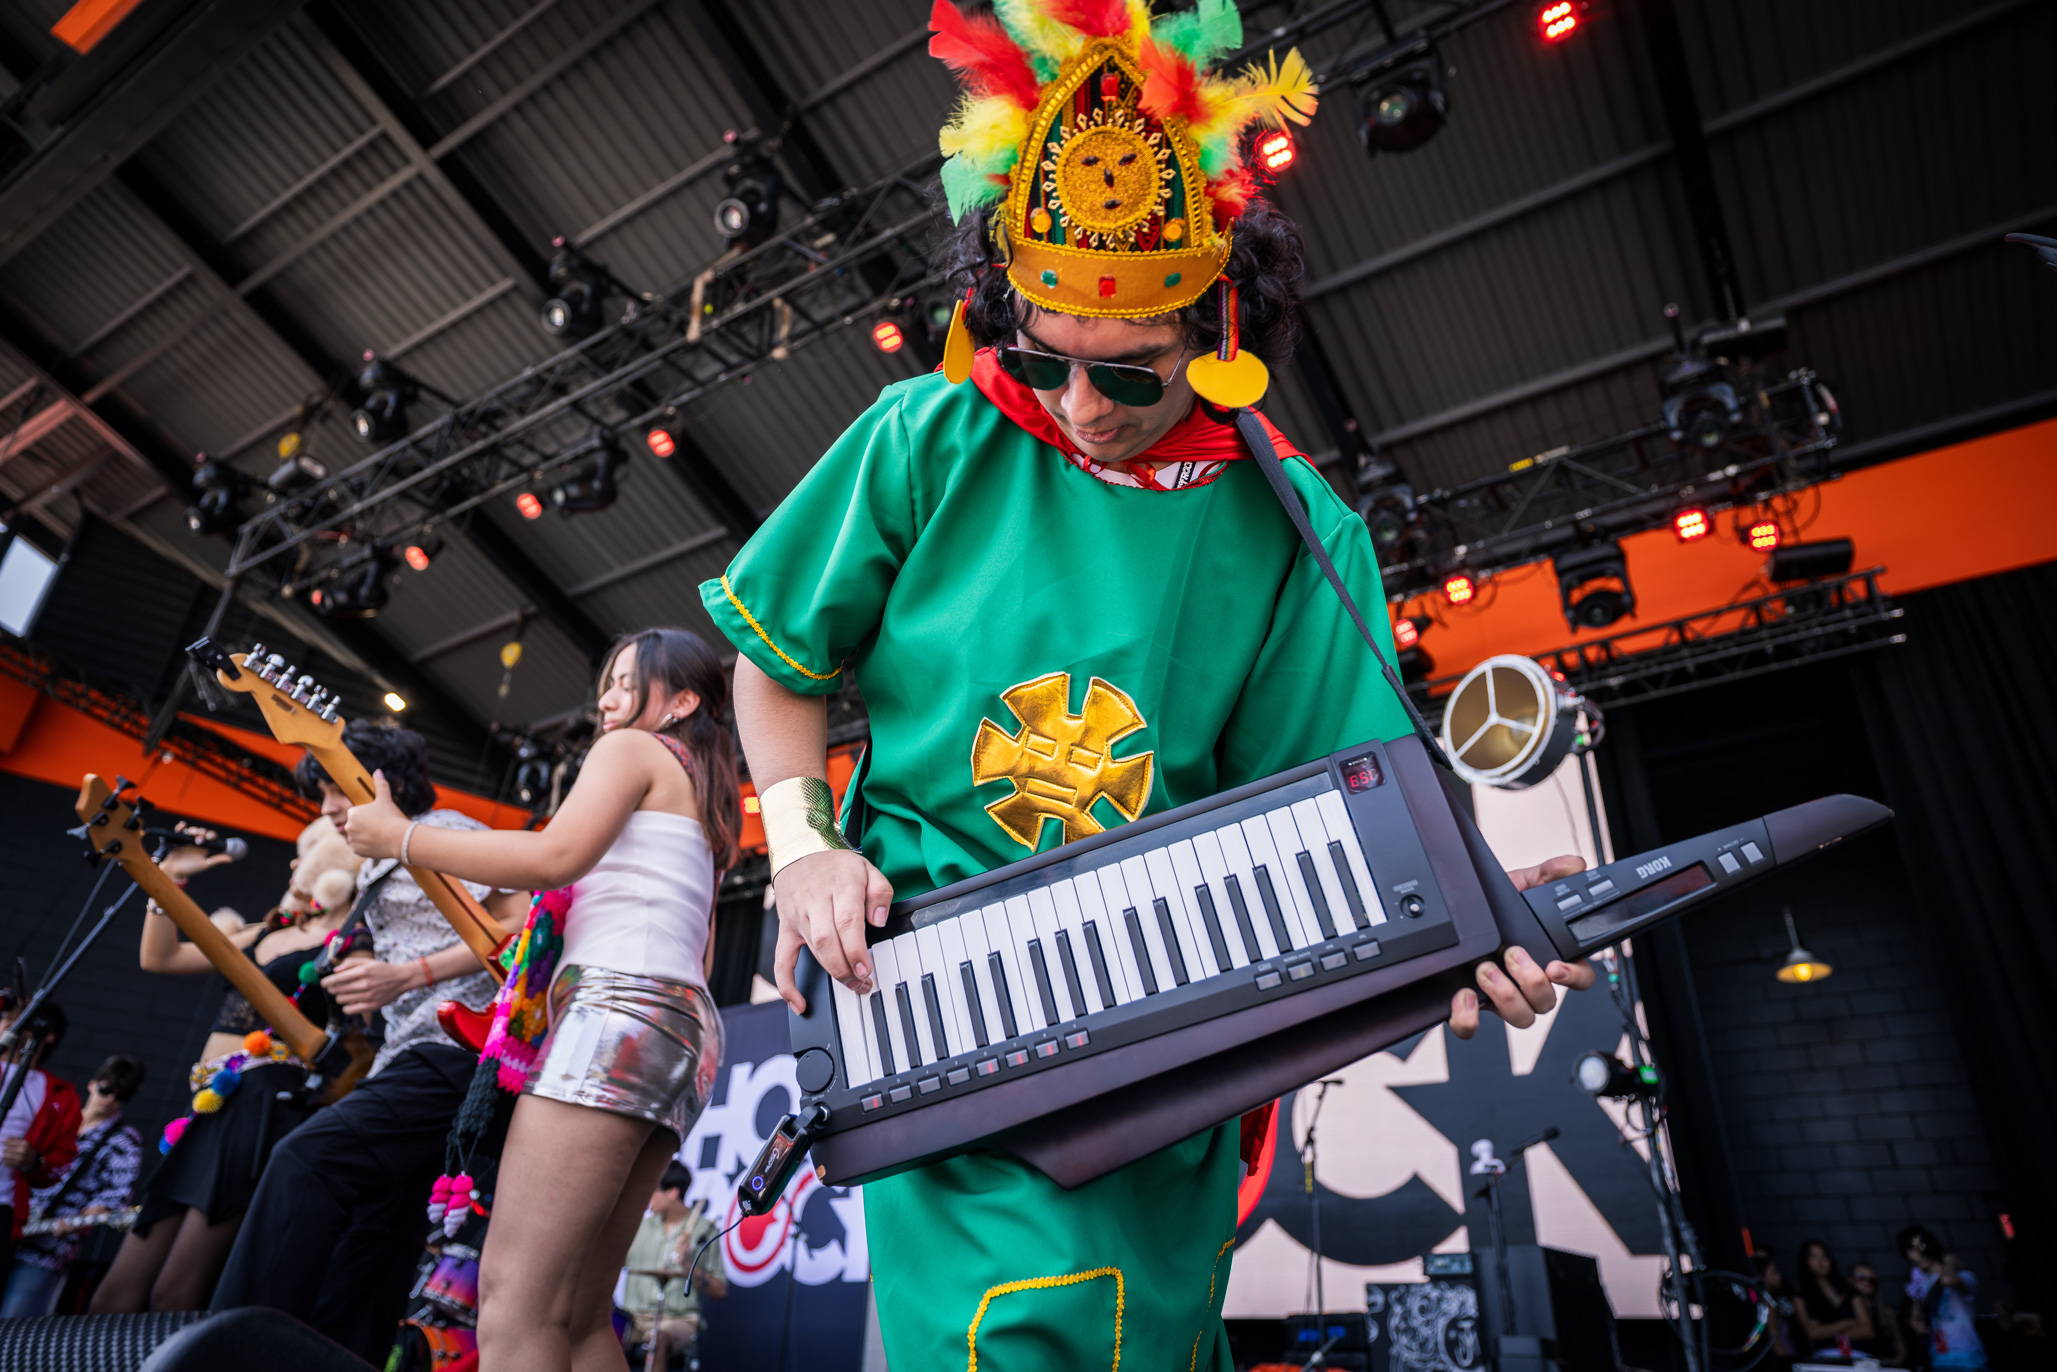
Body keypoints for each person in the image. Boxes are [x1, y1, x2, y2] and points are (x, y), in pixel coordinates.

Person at [701, 4, 1594, 1365]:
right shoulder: (928, 434)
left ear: (1221, 314)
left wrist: (1471, 931)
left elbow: (1342, 815)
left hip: (1164, 1019)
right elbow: (777, 665)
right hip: (934, 985)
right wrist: (805, 840)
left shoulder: (1298, 527)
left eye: (1126, 370)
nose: (1078, 403)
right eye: (1042, 354)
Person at [335, 628, 739, 1372]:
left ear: (682, 700)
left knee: (514, 1305)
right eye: (605, 685)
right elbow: (696, 955)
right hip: (679, 1033)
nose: (607, 701)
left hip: (616, 1012)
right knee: (578, 1316)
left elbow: (554, 855)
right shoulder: (706, 809)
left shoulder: (631, 752)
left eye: (626, 682)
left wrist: (401, 838)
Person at [208, 721, 529, 1361]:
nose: (325, 807)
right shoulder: (371, 869)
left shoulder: (449, 830)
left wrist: (410, 974)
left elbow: (521, 914)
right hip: (406, 1052)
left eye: (333, 789)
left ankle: (231, 1355)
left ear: (381, 781)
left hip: (454, 1052)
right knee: (376, 1241)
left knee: (305, 1163)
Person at [92, 820, 359, 1313]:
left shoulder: (349, 948)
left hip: (259, 1108)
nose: (295, 865)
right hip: (210, 1105)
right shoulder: (267, 932)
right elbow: (161, 956)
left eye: (311, 855)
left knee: (175, 1292)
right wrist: (166, 878)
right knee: (115, 1292)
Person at [3, 1056, 146, 1317]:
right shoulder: (59, 1119)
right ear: (92, 1085)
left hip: (48, 1249)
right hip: (10, 1224)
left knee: (15, 1324)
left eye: (120, 1095)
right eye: (106, 1089)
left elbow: (115, 1195)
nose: (111, 1098)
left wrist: (81, 1220)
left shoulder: (126, 1141)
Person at [0, 1001, 80, 1286]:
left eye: (23, 1017)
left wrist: (33, 1161)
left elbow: (61, 1161)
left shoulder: (60, 1094)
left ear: (47, 1033)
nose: (11, 1020)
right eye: (7, 1015)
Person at [622, 1162, 728, 1372]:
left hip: (680, 1320)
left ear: (672, 1193)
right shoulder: (638, 1227)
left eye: (653, 1190)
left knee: (658, 1339)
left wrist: (686, 1264)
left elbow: (719, 1290)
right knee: (598, 1331)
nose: (648, 1196)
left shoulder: (705, 1230)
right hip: (633, 1316)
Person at [1901, 1225, 1986, 1370]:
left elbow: (1948, 1280)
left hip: (1966, 1352)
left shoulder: (1964, 1275)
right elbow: (1916, 1317)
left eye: (1914, 1250)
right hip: (1939, 1353)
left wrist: (1950, 1260)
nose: (1912, 1257)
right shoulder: (1921, 1281)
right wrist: (1916, 1321)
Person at [1792, 1239, 1876, 1355]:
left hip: (1859, 1354)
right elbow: (1811, 1333)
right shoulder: (1800, 1294)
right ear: (1805, 1261)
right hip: (1825, 1355)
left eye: (1824, 1256)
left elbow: (1868, 1330)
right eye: (1814, 1257)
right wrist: (1849, 1323)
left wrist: (1825, 1330)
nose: (1820, 1261)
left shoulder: (1849, 1290)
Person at [1851, 1262, 1908, 1366]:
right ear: (1850, 1280)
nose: (1867, 1282)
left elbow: (1900, 1346)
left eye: (1872, 1280)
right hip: (1850, 1363)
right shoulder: (1843, 1311)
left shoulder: (1886, 1312)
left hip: (1878, 1365)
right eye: (1861, 1278)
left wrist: (1894, 1362)